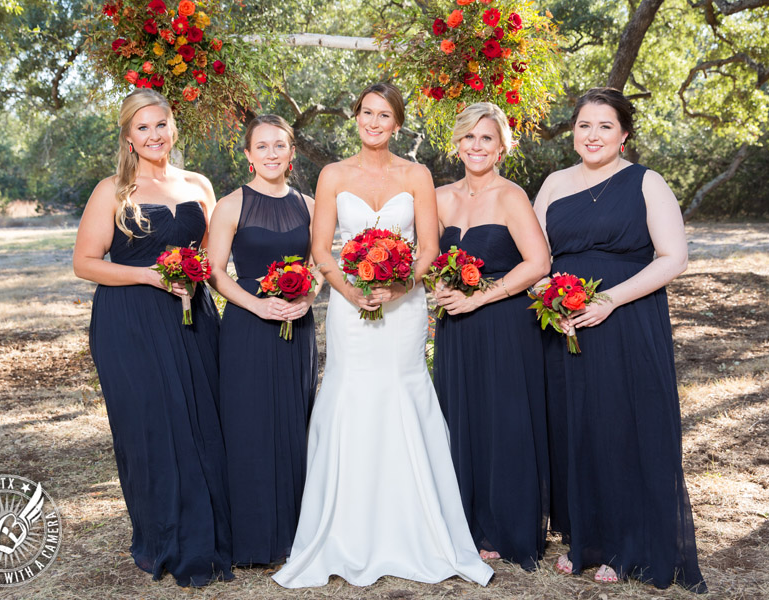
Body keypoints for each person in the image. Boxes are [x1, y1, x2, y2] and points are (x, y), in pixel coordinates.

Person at [272, 82, 493, 589]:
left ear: (397, 123)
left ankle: (417, 529)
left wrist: (398, 286)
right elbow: (322, 250)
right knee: (351, 395)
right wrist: (350, 293)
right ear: (356, 118)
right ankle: (346, 532)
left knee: (403, 392)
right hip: (350, 309)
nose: (374, 122)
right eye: (366, 113)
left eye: (384, 115)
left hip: (405, 306)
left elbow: (430, 250)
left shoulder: (417, 174)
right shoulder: (332, 174)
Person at [533, 87, 707, 592]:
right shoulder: (552, 185)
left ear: (624, 134)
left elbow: (673, 257)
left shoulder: (646, 183)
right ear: (572, 132)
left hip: (626, 320)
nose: (593, 135)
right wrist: (554, 299)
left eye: (605, 126)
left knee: (622, 426)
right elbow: (538, 259)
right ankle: (583, 538)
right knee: (575, 426)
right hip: (565, 323)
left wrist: (608, 301)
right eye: (585, 125)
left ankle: (627, 544)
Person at [72, 88, 233, 586]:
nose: (154, 134)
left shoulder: (199, 184)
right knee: (151, 430)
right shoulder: (111, 192)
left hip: (192, 316)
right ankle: (163, 539)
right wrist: (148, 275)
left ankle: (212, 534)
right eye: (142, 128)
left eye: (161, 124)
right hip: (131, 321)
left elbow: (210, 257)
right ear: (128, 137)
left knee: (204, 421)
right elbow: (84, 263)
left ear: (173, 127)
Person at [432, 102, 551, 570]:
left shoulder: (511, 197)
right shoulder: (439, 197)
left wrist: (478, 298)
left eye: (486, 138)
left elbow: (538, 263)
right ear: (457, 143)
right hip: (455, 328)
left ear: (502, 146)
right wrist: (440, 288)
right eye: (468, 137)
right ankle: (466, 524)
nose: (476, 146)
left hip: (503, 323)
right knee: (461, 418)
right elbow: (431, 259)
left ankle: (506, 527)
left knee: (503, 421)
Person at [206, 115, 319, 566]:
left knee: (297, 422)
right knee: (249, 425)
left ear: (292, 153)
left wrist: (308, 297)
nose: (272, 153)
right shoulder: (231, 205)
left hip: (297, 323)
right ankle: (254, 539)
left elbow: (318, 266)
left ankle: (297, 535)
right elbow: (215, 272)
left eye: (281, 145)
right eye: (263, 146)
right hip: (248, 326)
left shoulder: (310, 205)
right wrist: (257, 306)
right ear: (248, 154)